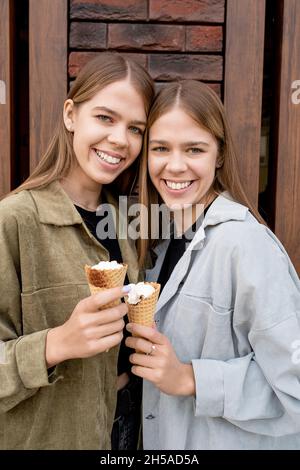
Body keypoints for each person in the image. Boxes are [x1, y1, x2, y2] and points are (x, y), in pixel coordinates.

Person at [126, 80, 300, 449]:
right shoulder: (161, 244)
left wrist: (191, 379)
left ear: (219, 154)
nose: (175, 165)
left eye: (194, 149)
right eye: (160, 148)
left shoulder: (248, 246)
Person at [0, 53, 154, 450]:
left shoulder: (130, 223)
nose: (120, 139)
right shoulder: (14, 220)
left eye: (135, 128)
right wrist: (56, 344)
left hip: (130, 426)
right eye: (105, 118)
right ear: (71, 115)